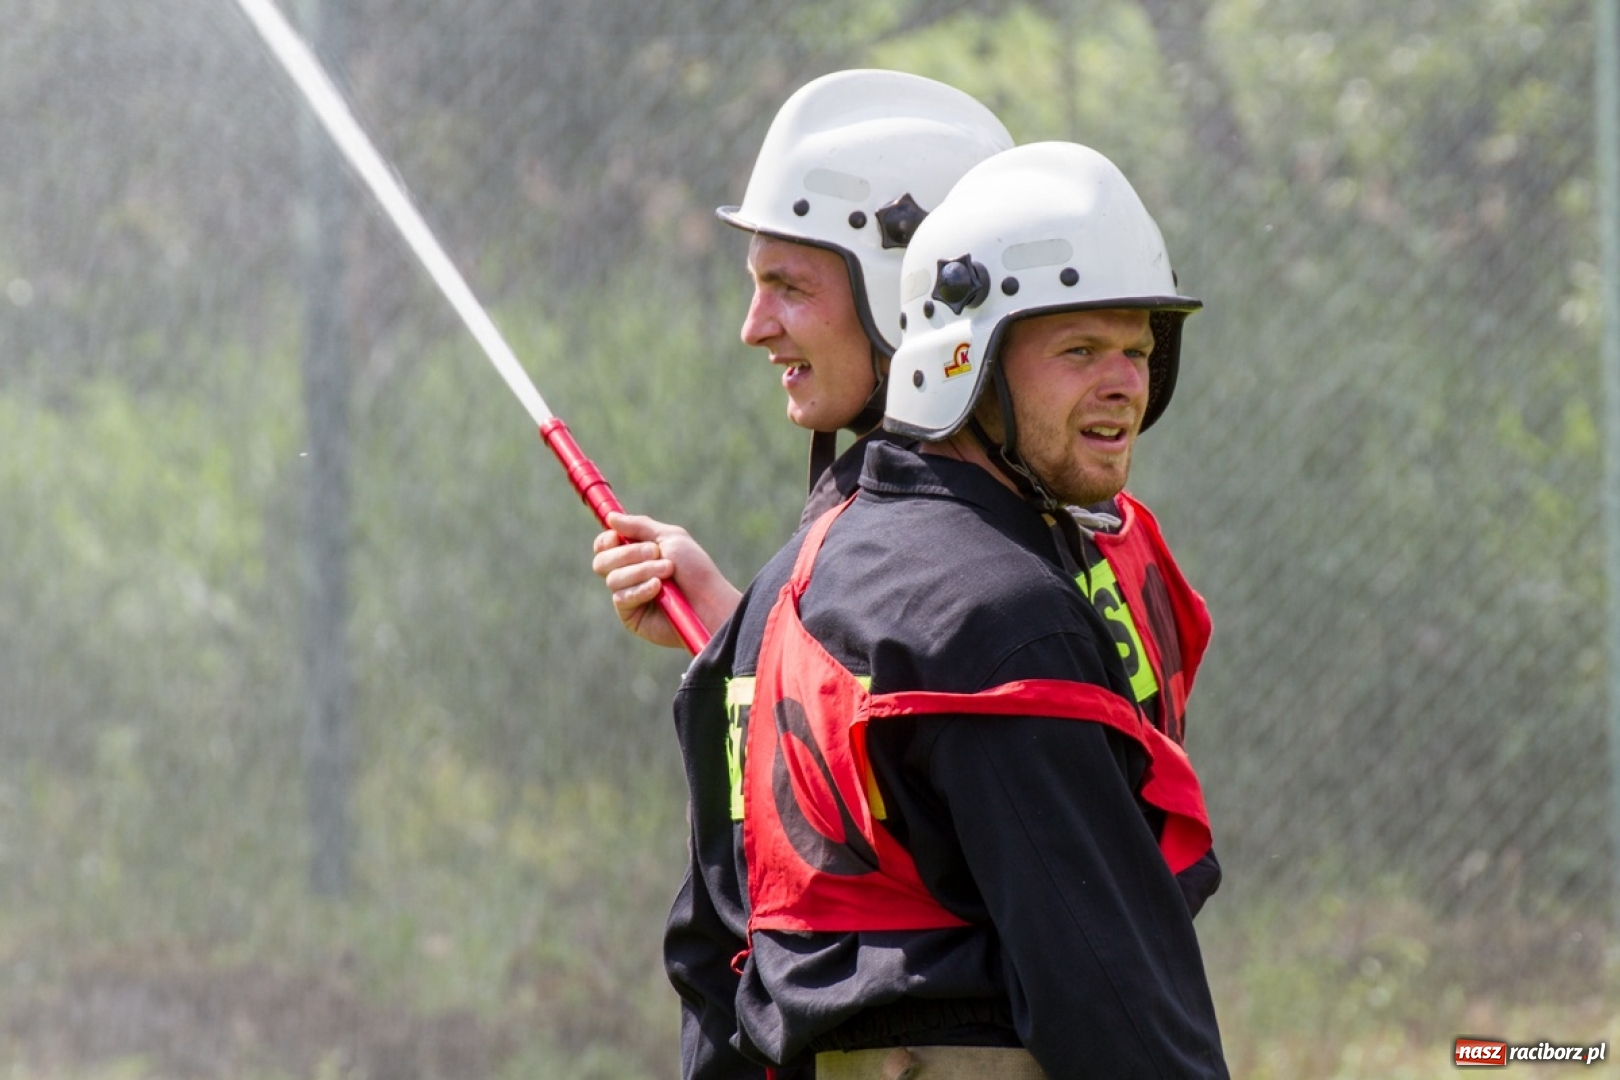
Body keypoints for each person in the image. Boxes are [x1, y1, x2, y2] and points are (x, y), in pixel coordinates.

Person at [671, 142, 1228, 1078]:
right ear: (969, 360)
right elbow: (1111, 996)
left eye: (1137, 351)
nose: (1125, 384)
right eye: (1079, 350)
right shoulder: (1001, 618)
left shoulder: (780, 597)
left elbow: (715, 961)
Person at [590, 69, 1013, 648]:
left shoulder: (919, 555)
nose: (753, 329)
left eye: (789, 287)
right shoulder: (1020, 510)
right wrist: (724, 623)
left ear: (907, 293)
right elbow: (843, 695)